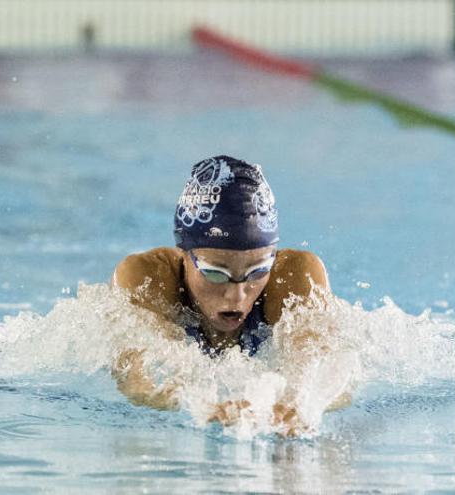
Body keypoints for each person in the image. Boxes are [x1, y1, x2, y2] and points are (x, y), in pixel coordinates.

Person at [110, 155, 339, 434]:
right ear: (184, 254)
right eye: (216, 273)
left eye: (257, 272)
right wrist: (201, 404)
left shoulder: (295, 276)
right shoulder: (147, 278)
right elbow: (137, 380)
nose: (237, 296)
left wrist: (296, 403)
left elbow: (330, 370)